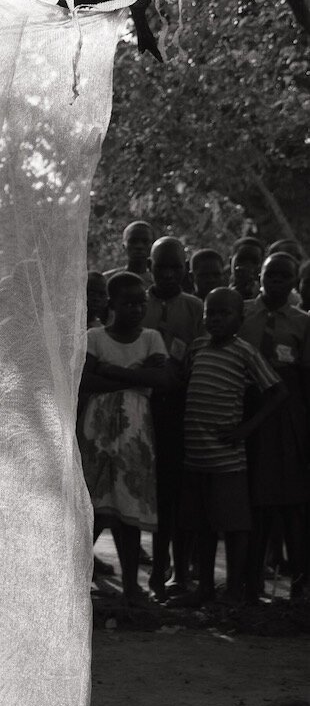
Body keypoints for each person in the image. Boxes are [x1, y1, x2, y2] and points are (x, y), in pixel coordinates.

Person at [181, 287, 284, 606]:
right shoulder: (196, 348)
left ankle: (235, 590)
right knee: (203, 527)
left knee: (235, 527)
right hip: (195, 457)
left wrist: (246, 429)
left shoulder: (245, 352)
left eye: (223, 313)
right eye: (210, 313)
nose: (215, 319)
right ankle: (206, 588)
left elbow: (278, 393)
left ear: (240, 319)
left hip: (228, 459)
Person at [79, 272, 173, 611]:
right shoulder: (95, 338)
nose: (136, 309)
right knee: (95, 510)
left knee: (128, 511)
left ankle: (132, 585)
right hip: (98, 434)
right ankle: (73, 581)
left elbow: (162, 379)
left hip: (136, 437)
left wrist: (115, 373)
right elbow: (84, 380)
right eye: (128, 303)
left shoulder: (151, 338)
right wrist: (134, 379)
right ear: (112, 304)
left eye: (140, 303)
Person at [238, 252, 310, 599]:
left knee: (292, 500)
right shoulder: (243, 312)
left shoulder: (302, 322)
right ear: (260, 277)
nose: (276, 282)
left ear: (294, 283)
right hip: (251, 412)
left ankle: (299, 581)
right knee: (256, 499)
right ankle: (251, 580)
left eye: (284, 276)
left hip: (288, 416)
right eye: (270, 275)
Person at [143, 236, 204, 596]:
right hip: (143, 408)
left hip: (183, 409)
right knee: (150, 491)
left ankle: (178, 572)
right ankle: (155, 569)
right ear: (150, 267)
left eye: (175, 267)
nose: (168, 274)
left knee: (177, 494)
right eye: (160, 267)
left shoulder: (196, 308)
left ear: (186, 269)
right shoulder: (138, 302)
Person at [230, 238, 264, 305]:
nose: (248, 266)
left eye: (254, 261)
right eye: (241, 260)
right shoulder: (219, 293)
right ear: (230, 262)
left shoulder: (266, 296)